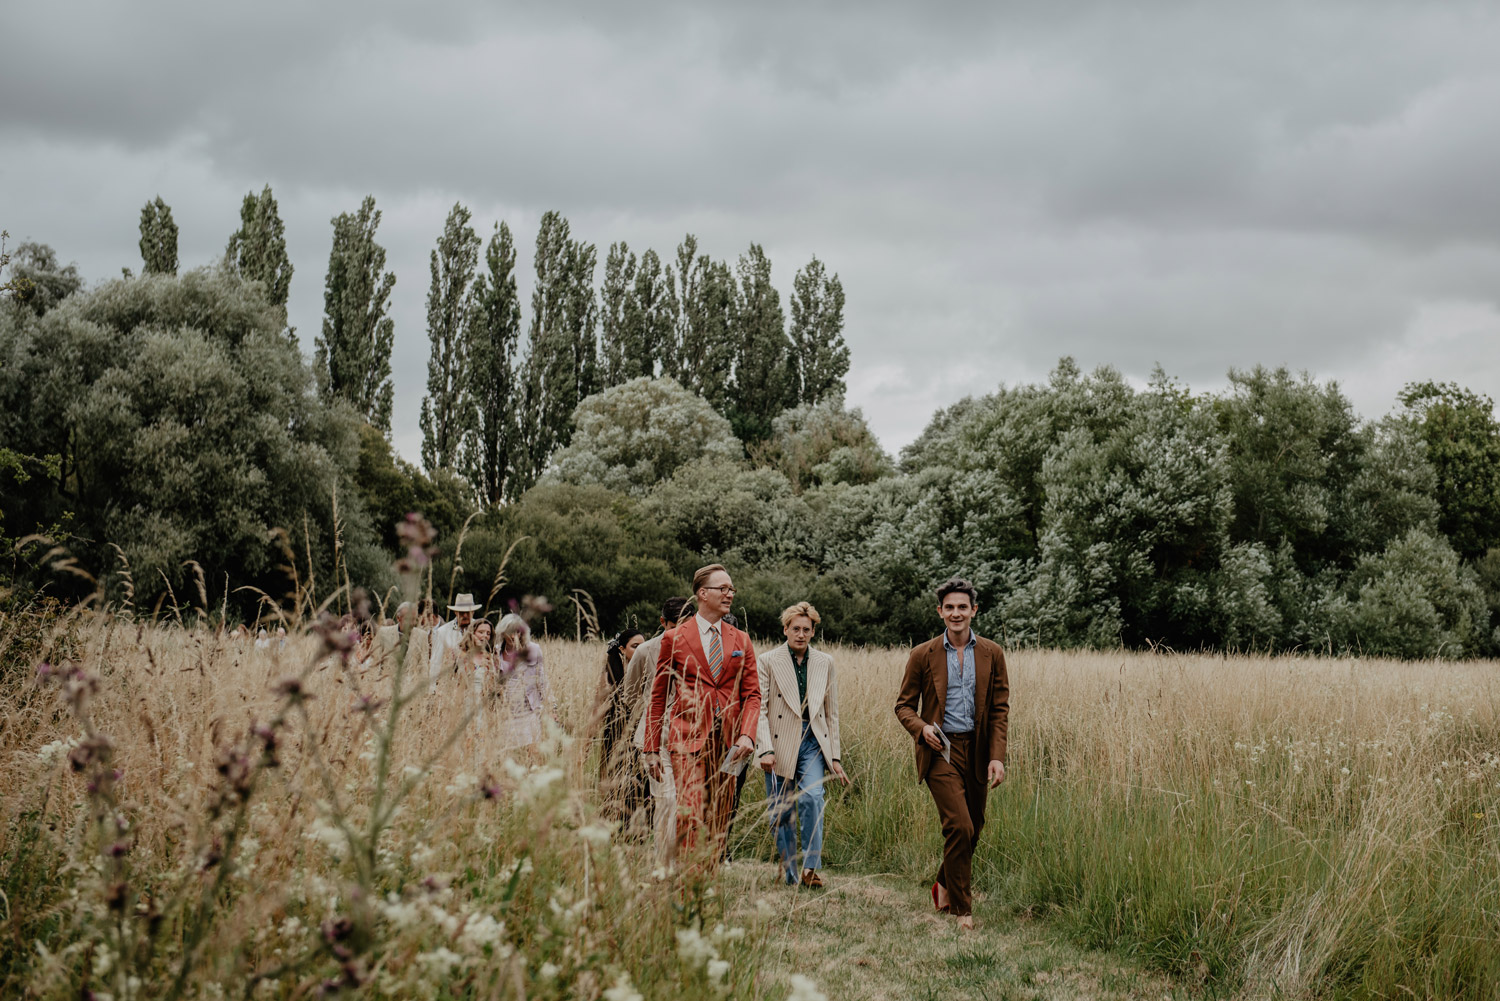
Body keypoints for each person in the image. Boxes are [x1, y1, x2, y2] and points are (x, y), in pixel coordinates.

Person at [894, 577, 1009, 931]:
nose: (956, 613)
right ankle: (962, 909)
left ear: (974, 611)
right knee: (958, 825)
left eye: (962, 607)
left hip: (977, 750)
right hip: (939, 750)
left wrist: (997, 756)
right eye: (949, 607)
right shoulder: (922, 654)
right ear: (940, 612)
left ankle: (943, 883)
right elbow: (903, 706)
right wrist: (921, 728)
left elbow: (1000, 709)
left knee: (974, 828)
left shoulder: (992, 653)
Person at [643, 565, 760, 871]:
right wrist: (652, 749)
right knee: (690, 816)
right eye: (723, 588)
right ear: (702, 593)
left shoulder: (742, 641)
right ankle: (687, 892)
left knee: (718, 823)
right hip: (687, 742)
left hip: (731, 747)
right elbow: (658, 697)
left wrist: (747, 734)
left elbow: (752, 695)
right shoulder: (674, 638)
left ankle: (704, 891)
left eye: (732, 589)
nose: (730, 594)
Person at [757, 601, 849, 887]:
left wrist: (834, 756)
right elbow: (759, 708)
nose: (800, 634)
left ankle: (810, 868)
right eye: (795, 628)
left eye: (806, 630)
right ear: (785, 629)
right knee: (781, 809)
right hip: (779, 740)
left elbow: (831, 713)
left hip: (812, 740)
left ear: (812, 632)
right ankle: (790, 870)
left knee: (812, 797)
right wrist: (764, 749)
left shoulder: (825, 662)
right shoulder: (768, 660)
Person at [623, 597, 693, 865]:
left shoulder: (700, 649)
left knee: (687, 801)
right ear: (663, 622)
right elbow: (630, 695)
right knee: (666, 800)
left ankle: (685, 859)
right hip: (655, 735)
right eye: (676, 625)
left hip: (690, 735)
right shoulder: (646, 651)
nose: (680, 631)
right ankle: (665, 865)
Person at [595, 628, 646, 821]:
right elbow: (599, 707)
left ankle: (635, 819)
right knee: (614, 778)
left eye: (643, 646)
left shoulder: (647, 671)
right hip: (615, 733)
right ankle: (611, 818)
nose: (641, 650)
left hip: (639, 732)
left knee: (637, 782)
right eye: (635, 646)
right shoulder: (611, 673)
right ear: (622, 649)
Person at [495, 613, 554, 752]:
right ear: (503, 632)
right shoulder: (496, 651)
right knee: (508, 755)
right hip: (505, 713)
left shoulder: (533, 649)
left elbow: (542, 679)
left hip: (528, 711)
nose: (513, 635)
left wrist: (552, 706)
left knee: (532, 752)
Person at [429, 593, 480, 694]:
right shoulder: (442, 632)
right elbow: (435, 663)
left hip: (475, 688)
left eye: (467, 612)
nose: (465, 615)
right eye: (461, 612)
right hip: (451, 689)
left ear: (473, 612)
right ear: (455, 612)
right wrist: (432, 690)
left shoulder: (481, 629)